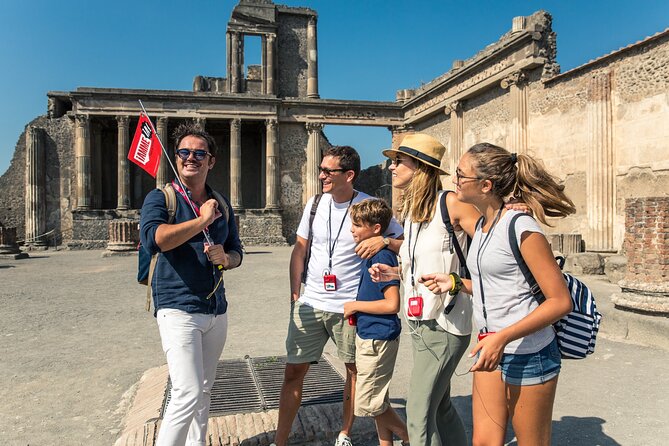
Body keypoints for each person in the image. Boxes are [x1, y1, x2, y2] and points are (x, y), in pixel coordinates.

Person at [422, 142, 574, 446]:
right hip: (490, 347)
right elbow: (496, 287)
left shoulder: (521, 226)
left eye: (461, 175)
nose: (455, 180)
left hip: (529, 354)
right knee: (484, 442)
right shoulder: (481, 225)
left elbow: (560, 301)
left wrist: (502, 337)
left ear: (486, 185)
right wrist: (454, 283)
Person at [272, 146, 403, 446]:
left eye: (328, 171)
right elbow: (301, 248)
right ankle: (279, 441)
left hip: (350, 307)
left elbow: (404, 242)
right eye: (321, 170)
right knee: (293, 371)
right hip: (312, 302)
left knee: (353, 373)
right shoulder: (315, 204)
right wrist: (295, 293)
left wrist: (383, 239)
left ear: (349, 175)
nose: (321, 176)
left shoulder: (370, 207)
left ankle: (344, 434)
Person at [369, 133, 482, 446]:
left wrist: (458, 282)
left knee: (418, 411)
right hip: (420, 324)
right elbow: (422, 261)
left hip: (445, 324)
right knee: (441, 406)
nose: (391, 168)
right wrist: (395, 270)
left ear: (419, 168)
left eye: (398, 162)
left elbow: (491, 251)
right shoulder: (414, 211)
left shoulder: (453, 204)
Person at [140, 122, 243, 446]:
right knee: (187, 391)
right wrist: (200, 221)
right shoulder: (161, 198)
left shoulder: (221, 203)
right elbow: (154, 239)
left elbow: (238, 250)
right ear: (176, 156)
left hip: (215, 308)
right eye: (185, 152)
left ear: (211, 161)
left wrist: (226, 259)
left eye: (200, 153)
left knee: (204, 388)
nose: (191, 158)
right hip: (177, 306)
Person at [343, 198, 409, 446]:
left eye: (358, 225)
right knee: (379, 400)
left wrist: (355, 306)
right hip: (370, 334)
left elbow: (392, 304)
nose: (352, 229)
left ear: (376, 229)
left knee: (366, 404)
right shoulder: (370, 253)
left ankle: (411, 438)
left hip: (378, 338)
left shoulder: (381, 255)